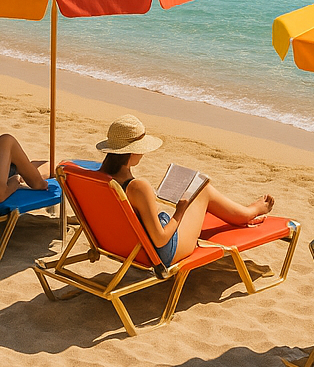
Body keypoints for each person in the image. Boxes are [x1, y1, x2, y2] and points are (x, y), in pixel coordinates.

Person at [95, 114, 274, 270]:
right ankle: (249, 212)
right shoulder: (137, 187)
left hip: (124, 248)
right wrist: (180, 211)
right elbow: (160, 240)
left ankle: (245, 212)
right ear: (132, 152)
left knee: (193, 194)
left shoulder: (97, 180)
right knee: (202, 189)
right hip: (160, 253)